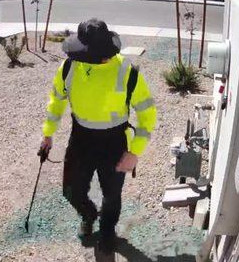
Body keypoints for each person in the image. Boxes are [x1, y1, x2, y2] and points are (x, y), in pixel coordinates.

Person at [38, 18, 157, 260]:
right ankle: (89, 215)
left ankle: (107, 233)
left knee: (112, 194)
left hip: (114, 142)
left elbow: (148, 115)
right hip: (81, 138)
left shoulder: (128, 72)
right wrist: (48, 134)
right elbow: (56, 101)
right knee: (71, 191)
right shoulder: (70, 68)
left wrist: (135, 152)